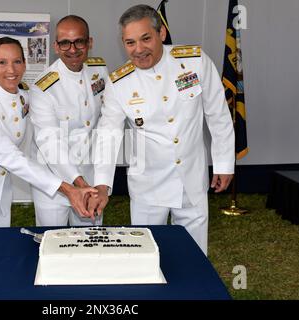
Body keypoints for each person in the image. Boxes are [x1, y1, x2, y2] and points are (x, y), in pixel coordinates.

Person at [0, 37, 97, 276]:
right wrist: (68, 189)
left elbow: (53, 113)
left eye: (17, 62)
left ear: (24, 64)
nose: (10, 70)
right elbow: (11, 157)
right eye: (2, 62)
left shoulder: (25, 92)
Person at [91, 5, 235, 255]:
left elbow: (218, 115)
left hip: (191, 176)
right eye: (130, 42)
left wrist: (223, 164)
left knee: (194, 253)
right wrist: (102, 183)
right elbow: (108, 135)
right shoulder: (119, 83)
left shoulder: (195, 61)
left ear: (162, 34)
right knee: (147, 253)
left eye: (146, 38)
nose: (138, 49)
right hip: (148, 183)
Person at [29, 15, 109, 226]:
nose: (72, 49)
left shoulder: (99, 70)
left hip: (89, 173)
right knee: (53, 241)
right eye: (65, 42)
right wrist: (79, 185)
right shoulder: (42, 87)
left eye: (79, 41)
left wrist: (96, 184)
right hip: (54, 181)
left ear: (89, 42)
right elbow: (50, 144)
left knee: (91, 241)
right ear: (56, 46)